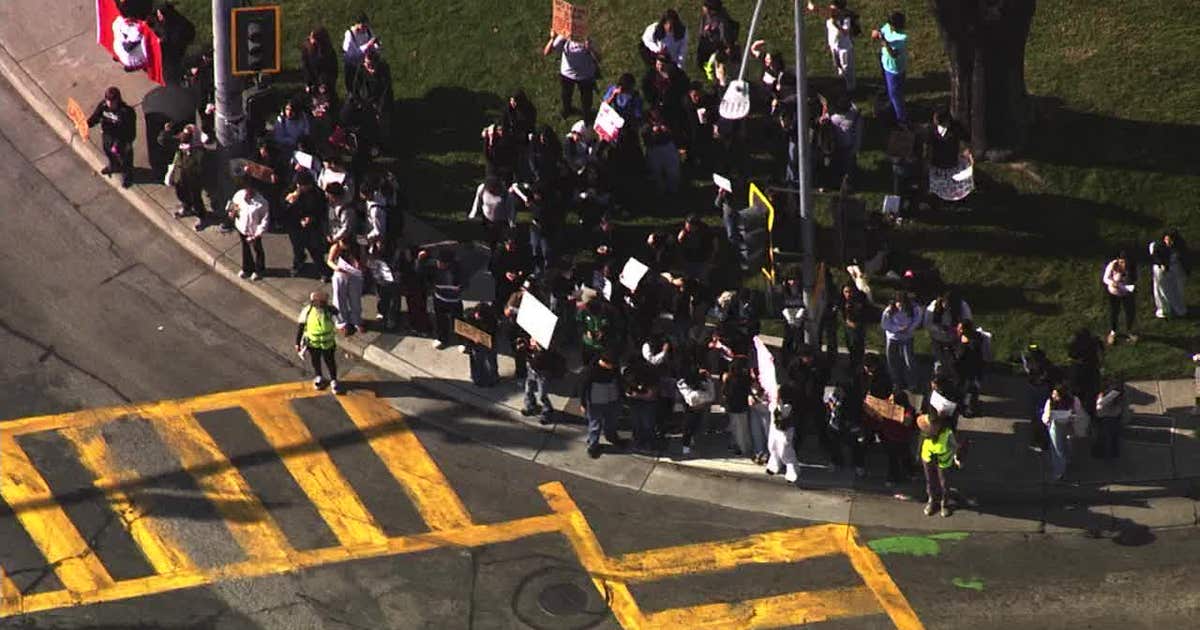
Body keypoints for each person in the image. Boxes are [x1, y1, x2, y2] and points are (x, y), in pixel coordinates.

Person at [543, 30, 601, 122]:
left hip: (585, 75)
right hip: (567, 75)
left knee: (586, 99)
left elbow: (599, 58)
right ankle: (567, 110)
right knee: (566, 95)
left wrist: (591, 49)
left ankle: (587, 115)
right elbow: (546, 52)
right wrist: (552, 38)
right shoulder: (564, 37)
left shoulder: (587, 39)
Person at [158, 123, 206, 229]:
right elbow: (163, 141)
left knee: (195, 198)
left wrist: (191, 151)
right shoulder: (181, 140)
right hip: (181, 172)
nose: (184, 142)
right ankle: (186, 207)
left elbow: (199, 163)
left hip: (193, 177)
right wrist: (166, 132)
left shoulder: (199, 149)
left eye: (188, 138)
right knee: (181, 192)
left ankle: (201, 216)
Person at [87, 87, 137, 188]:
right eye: (108, 100)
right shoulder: (103, 106)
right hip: (108, 137)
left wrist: (125, 143)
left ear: (118, 100)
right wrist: (85, 125)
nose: (109, 104)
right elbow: (95, 117)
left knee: (125, 160)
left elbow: (130, 131)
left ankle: (128, 177)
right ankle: (113, 166)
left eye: (112, 101)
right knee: (109, 154)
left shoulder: (126, 112)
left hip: (122, 141)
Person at [295, 291, 343, 395]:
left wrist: (343, 326)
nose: (319, 305)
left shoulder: (331, 311)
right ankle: (319, 376)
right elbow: (301, 326)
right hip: (313, 343)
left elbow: (340, 323)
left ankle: (334, 380)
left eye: (321, 303)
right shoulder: (307, 311)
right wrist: (297, 343)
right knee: (315, 360)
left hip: (328, 343)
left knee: (330, 362)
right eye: (316, 302)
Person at [579, 354, 627, 458]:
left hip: (612, 399)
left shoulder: (614, 368)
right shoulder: (590, 371)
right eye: (611, 365)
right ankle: (593, 446)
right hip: (596, 401)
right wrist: (583, 403)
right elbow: (583, 388)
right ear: (604, 362)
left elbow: (619, 380)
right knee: (595, 424)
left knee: (612, 420)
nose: (613, 367)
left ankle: (611, 436)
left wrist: (622, 396)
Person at [419, 248, 465, 350]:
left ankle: (462, 341)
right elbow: (421, 271)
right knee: (441, 320)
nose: (439, 264)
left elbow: (465, 283)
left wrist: (460, 288)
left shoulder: (457, 270)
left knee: (458, 321)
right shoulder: (433, 267)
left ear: (449, 263)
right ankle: (442, 339)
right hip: (439, 298)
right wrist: (420, 260)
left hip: (454, 300)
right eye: (438, 261)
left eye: (442, 262)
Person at [227, 178, 270, 280]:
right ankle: (247, 269)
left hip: (254, 232)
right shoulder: (239, 195)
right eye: (246, 189)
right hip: (242, 228)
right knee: (245, 249)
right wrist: (231, 213)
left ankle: (259, 270)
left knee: (257, 250)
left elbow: (265, 220)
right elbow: (233, 207)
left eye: (250, 190)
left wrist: (257, 234)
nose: (247, 192)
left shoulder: (262, 203)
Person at [811, 0, 857, 92]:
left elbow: (845, 32)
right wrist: (813, 7)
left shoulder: (845, 18)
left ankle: (849, 88)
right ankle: (841, 81)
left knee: (846, 68)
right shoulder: (830, 15)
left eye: (833, 8)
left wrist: (836, 25)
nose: (830, 10)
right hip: (834, 45)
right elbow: (820, 11)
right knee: (837, 64)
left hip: (844, 48)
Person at [1042, 385, 1085, 481]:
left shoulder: (1074, 400)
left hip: (1069, 424)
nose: (1053, 395)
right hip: (1055, 425)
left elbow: (1079, 414)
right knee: (1057, 449)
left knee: (1068, 445)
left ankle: (1066, 464)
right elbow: (1045, 416)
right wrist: (1047, 418)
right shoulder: (1050, 401)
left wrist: (1073, 417)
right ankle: (1059, 472)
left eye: (1055, 394)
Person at [871, 11, 908, 124]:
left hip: (895, 69)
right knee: (892, 91)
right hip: (886, 64)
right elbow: (877, 34)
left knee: (895, 95)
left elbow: (894, 54)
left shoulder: (902, 37)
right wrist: (876, 34)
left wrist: (884, 41)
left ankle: (901, 118)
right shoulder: (887, 27)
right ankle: (893, 106)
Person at [918, 413, 957, 517]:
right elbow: (921, 443)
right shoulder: (925, 431)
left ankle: (944, 503)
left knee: (944, 484)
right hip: (928, 459)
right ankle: (932, 500)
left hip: (943, 462)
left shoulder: (947, 433)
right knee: (930, 481)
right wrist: (918, 456)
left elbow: (954, 446)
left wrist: (956, 457)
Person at [880, 293, 922, 390]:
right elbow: (885, 324)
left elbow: (917, 320)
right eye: (899, 304)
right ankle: (896, 382)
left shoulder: (914, 309)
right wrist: (898, 329)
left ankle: (912, 382)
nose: (901, 307)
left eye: (903, 304)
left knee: (909, 360)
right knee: (892, 361)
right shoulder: (889, 310)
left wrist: (909, 329)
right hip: (893, 338)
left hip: (907, 338)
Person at [326, 239, 365, 334]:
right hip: (340, 274)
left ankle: (356, 320)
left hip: (354, 274)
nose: (345, 246)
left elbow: (364, 257)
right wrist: (336, 268)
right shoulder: (336, 247)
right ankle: (341, 322)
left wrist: (361, 265)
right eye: (343, 243)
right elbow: (329, 261)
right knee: (339, 299)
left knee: (355, 298)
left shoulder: (358, 245)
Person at [152, 3, 195, 85]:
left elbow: (172, 44)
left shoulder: (177, 28)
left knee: (173, 68)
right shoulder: (170, 20)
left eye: (160, 15)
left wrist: (160, 42)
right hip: (173, 48)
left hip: (173, 52)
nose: (158, 16)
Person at [1149, 230, 1188, 319]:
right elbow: (1155, 257)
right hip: (1162, 271)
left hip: (1175, 269)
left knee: (1177, 290)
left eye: (1171, 240)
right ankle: (1164, 309)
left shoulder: (1179, 246)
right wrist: (1161, 264)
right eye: (1168, 240)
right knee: (1162, 291)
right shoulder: (1159, 246)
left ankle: (1178, 308)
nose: (1170, 242)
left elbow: (1184, 258)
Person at [677, 367, 716, 455]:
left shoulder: (686, 388)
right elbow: (711, 396)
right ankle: (687, 445)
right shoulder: (701, 392)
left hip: (694, 408)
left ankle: (687, 444)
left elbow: (680, 383)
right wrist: (709, 379)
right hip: (695, 408)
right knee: (691, 426)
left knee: (690, 427)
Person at [1101, 251, 1137, 344]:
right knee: (1114, 312)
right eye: (1121, 262)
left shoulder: (1131, 268)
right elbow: (1105, 278)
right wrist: (1112, 283)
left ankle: (1129, 331)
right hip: (1114, 292)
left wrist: (1124, 285)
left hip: (1126, 293)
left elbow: (1132, 281)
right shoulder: (1112, 265)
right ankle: (1113, 332)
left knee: (1129, 312)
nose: (1123, 264)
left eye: (1125, 262)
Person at [723, 357, 754, 458]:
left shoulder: (729, 378)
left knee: (736, 427)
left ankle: (739, 446)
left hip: (732, 406)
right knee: (742, 427)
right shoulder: (745, 378)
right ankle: (743, 446)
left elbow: (726, 392)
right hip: (742, 405)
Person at [342, 13, 380, 93]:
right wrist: (367, 45)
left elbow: (375, 45)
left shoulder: (368, 31)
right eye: (363, 26)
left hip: (366, 65)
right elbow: (350, 55)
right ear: (358, 24)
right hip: (353, 67)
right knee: (354, 89)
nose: (365, 29)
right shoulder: (350, 35)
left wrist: (375, 46)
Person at [464, 302, 499, 387]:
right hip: (475, 342)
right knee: (477, 361)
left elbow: (493, 331)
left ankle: (493, 378)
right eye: (477, 314)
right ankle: (477, 378)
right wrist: (472, 338)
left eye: (480, 315)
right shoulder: (470, 316)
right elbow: (467, 329)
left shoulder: (491, 319)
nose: (477, 316)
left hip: (488, 341)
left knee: (491, 360)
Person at [697, 0, 737, 69]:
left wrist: (727, 47)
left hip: (718, 50)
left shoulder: (722, 21)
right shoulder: (706, 17)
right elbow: (702, 32)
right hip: (707, 48)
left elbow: (725, 37)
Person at [839, 283, 870, 370]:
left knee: (858, 349)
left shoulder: (858, 301)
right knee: (851, 347)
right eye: (846, 292)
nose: (848, 294)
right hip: (848, 328)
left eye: (850, 292)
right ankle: (853, 366)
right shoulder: (843, 301)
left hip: (858, 328)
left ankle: (858, 367)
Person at [301, 26, 338, 93]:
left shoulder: (328, 51)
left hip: (325, 82)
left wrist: (324, 83)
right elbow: (305, 66)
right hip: (312, 80)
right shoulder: (307, 48)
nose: (311, 40)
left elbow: (331, 69)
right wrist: (308, 83)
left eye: (313, 38)